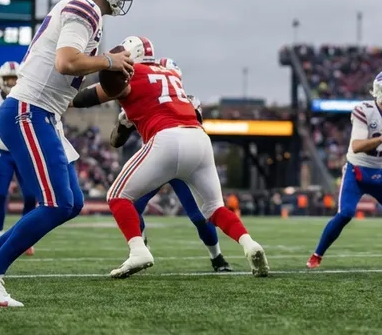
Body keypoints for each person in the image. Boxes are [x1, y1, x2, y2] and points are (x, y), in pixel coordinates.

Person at [0, 0, 134, 307]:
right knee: (56, 203)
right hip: (30, 111)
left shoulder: (84, 12)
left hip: (44, 112)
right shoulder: (84, 9)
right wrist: (109, 61)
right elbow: (66, 61)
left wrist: (114, 82)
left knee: (72, 203)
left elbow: (67, 85)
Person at [73, 36, 269, 278]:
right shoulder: (171, 76)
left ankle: (138, 250)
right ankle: (249, 244)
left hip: (165, 142)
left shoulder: (132, 75)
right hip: (198, 140)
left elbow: (89, 100)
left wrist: (62, 98)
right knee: (215, 208)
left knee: (117, 195)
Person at [307, 71, 382, 269]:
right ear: (378, 91)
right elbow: (356, 145)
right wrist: (379, 139)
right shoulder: (365, 110)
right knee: (345, 213)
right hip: (356, 172)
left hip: (381, 172)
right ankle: (317, 254)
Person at [0, 61, 37, 251]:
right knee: (0, 195)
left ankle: (24, 238)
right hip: (2, 153)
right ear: (1, 80)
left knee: (30, 196)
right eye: (8, 78)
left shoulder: (28, 97)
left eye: (14, 78)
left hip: (23, 152)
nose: (11, 82)